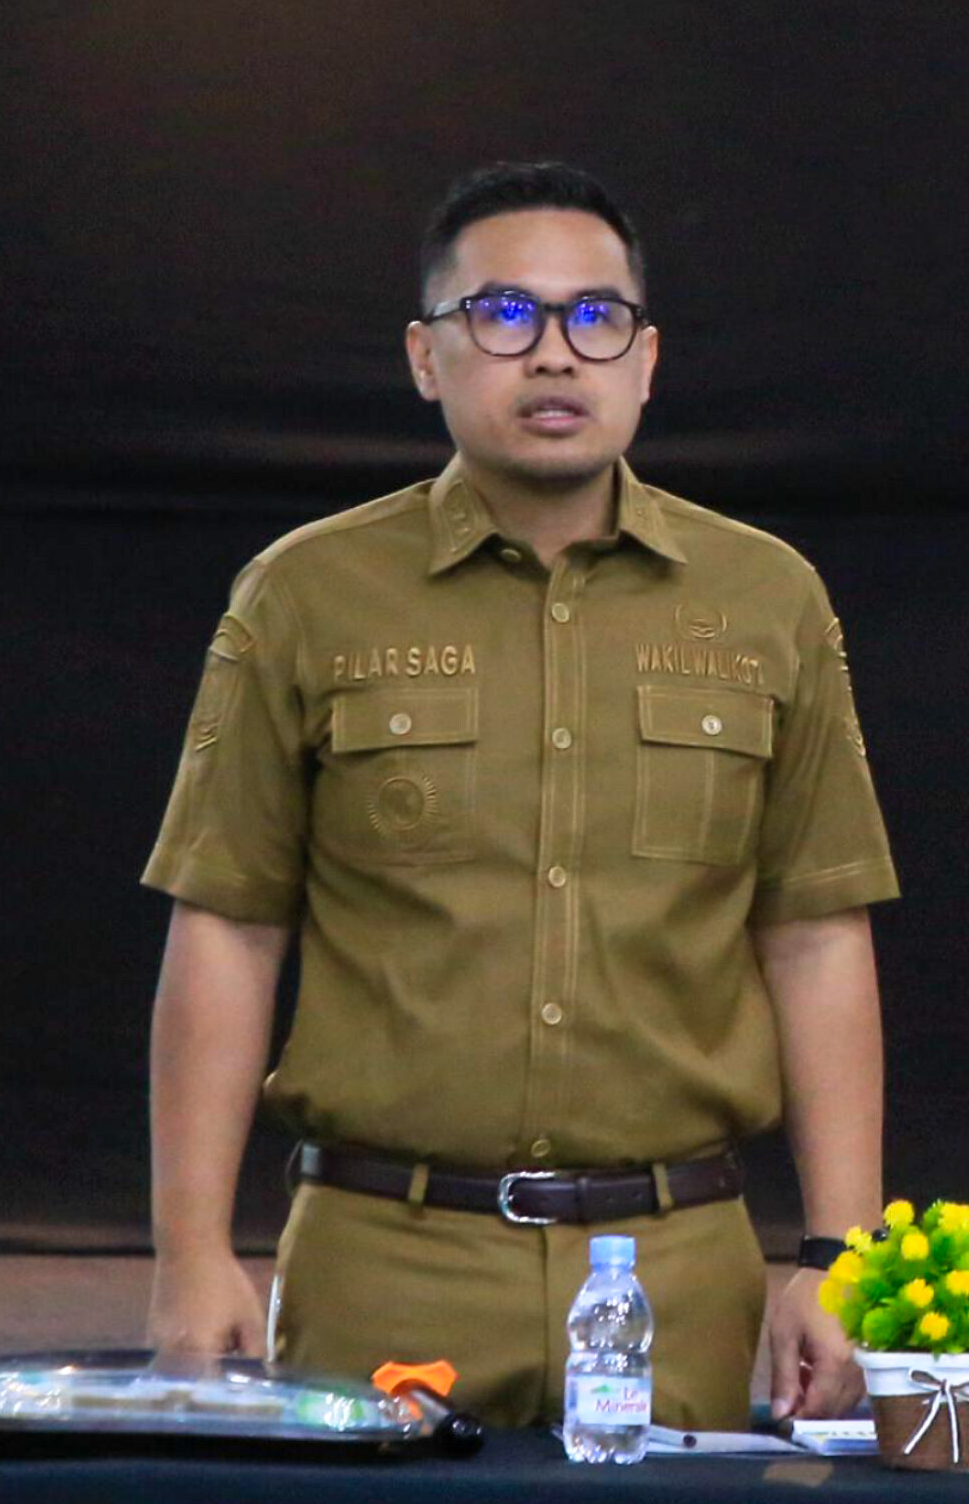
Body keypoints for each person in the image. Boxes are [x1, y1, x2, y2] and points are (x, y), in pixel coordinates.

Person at [141, 162, 892, 1430]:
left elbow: (815, 934)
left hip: (677, 1266)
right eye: (504, 317)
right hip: (385, 1259)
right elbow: (226, 927)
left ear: (646, 361)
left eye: (595, 320)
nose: (555, 356)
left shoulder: (768, 600)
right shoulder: (306, 594)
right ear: (426, 359)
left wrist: (838, 1254)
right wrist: (189, 1251)